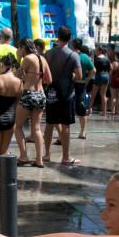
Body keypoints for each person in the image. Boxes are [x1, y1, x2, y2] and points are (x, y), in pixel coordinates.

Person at [43, 27, 82, 166]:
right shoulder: (73, 55)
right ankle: (65, 157)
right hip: (67, 93)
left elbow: (45, 75)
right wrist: (70, 76)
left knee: (50, 123)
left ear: (57, 37)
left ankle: (46, 154)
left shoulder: (48, 53)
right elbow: (79, 76)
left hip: (52, 92)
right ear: (70, 38)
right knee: (65, 125)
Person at [14, 37, 51, 168]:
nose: (19, 51)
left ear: (24, 48)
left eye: (20, 49)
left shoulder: (27, 59)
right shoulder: (43, 59)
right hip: (41, 95)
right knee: (36, 128)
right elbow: (49, 80)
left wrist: (18, 59)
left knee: (17, 126)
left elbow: (16, 75)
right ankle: (39, 160)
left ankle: (23, 156)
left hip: (28, 94)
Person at [71, 39, 95, 140]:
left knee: (68, 109)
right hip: (81, 85)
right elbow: (93, 70)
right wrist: (87, 80)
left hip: (71, 85)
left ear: (72, 45)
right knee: (82, 109)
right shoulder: (85, 57)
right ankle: (83, 132)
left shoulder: (71, 55)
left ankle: (64, 133)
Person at [92, 46, 111, 119]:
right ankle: (104, 112)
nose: (95, 52)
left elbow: (94, 69)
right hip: (106, 76)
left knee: (93, 94)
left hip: (98, 76)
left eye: (96, 50)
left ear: (100, 50)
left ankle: (89, 109)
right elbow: (110, 68)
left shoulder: (97, 58)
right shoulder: (107, 59)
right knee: (103, 95)